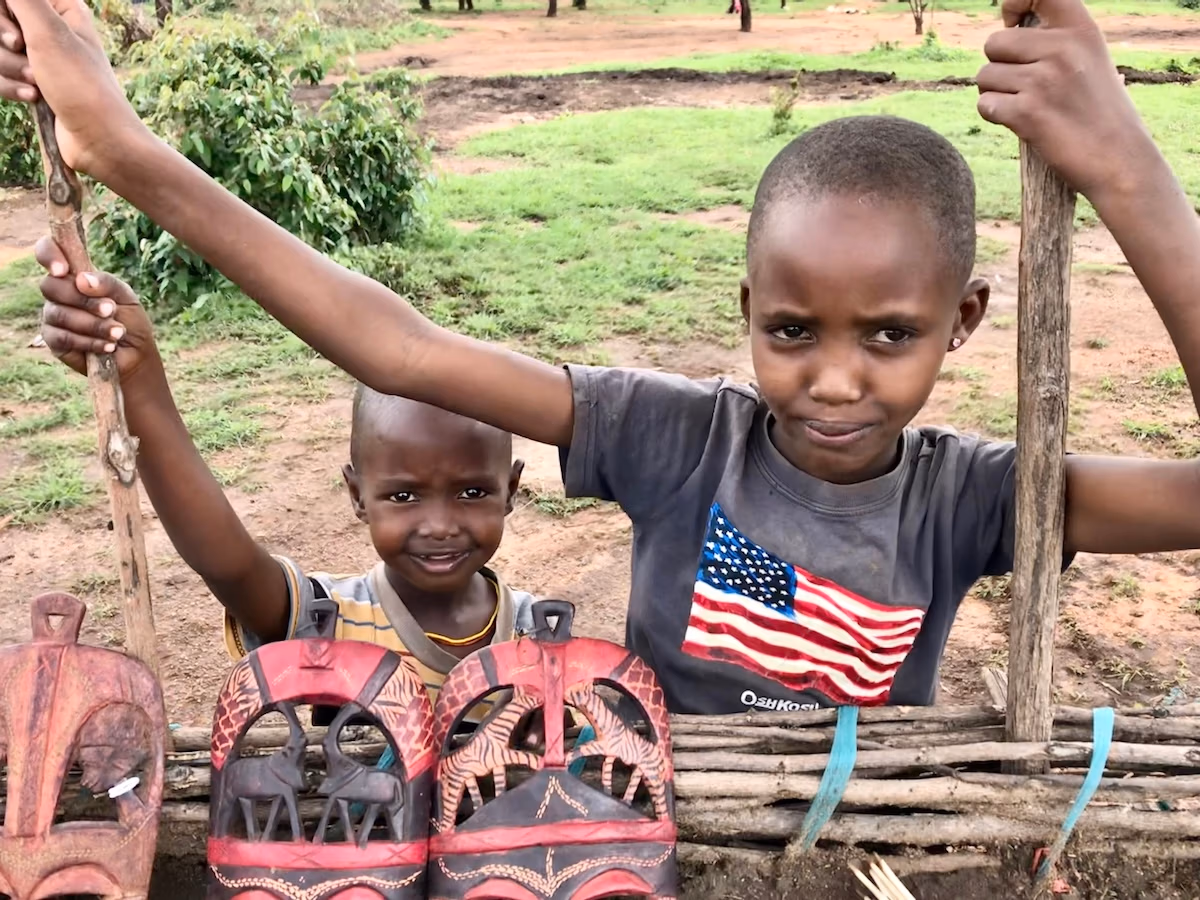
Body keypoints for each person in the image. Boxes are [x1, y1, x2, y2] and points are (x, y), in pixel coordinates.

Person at [5, 0, 1200, 716]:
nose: (837, 381)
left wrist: (1128, 171)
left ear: (966, 320)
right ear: (748, 310)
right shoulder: (674, 438)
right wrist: (122, 149)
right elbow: (399, 348)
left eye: (891, 335)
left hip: (860, 844)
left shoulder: (973, 498)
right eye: (792, 331)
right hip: (647, 831)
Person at [28, 248, 536, 714]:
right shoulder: (325, 622)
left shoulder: (537, 636)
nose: (441, 525)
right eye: (403, 495)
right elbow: (226, 563)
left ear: (510, 490)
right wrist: (140, 382)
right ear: (358, 495)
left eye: (472, 492)